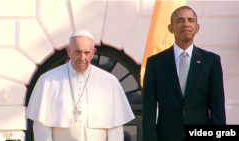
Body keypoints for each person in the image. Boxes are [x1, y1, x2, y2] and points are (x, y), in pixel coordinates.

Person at [25, 30, 135, 141]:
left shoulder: (110, 82)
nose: (82, 58)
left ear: (93, 52)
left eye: (87, 53)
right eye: (77, 52)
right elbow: (41, 128)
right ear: (68, 51)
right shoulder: (48, 81)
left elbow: (115, 129)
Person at [142, 6, 226, 141]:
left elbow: (217, 109)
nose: (186, 24)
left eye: (190, 20)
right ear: (171, 28)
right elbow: (148, 111)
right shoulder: (155, 63)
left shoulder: (211, 61)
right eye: (180, 20)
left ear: (197, 28)